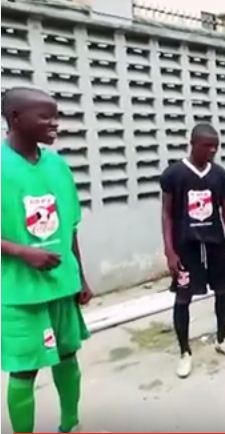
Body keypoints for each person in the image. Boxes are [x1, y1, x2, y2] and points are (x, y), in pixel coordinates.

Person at [1, 87, 93, 433]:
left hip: (62, 285)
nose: (55, 123)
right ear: (15, 118)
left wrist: (80, 276)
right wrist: (23, 252)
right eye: (45, 116)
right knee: (24, 369)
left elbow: (70, 227)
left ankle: (71, 424)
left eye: (56, 116)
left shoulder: (57, 165)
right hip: (19, 292)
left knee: (67, 356)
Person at [160, 123, 225, 378]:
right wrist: (169, 251)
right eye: (207, 146)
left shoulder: (219, 175)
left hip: (215, 244)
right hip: (186, 246)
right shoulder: (174, 175)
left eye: (216, 146)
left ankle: (221, 339)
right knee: (183, 297)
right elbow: (166, 214)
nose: (212, 150)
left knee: (223, 291)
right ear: (193, 144)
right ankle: (185, 352)